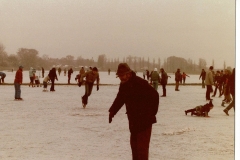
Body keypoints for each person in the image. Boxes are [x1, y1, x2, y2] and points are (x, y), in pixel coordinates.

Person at [108, 63, 159, 160]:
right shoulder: (124, 84)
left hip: (144, 122)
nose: (120, 78)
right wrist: (112, 111)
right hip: (134, 121)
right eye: (119, 76)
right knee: (135, 148)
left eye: (122, 76)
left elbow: (155, 95)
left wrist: (151, 113)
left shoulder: (140, 83)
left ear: (129, 74)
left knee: (142, 150)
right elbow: (120, 98)